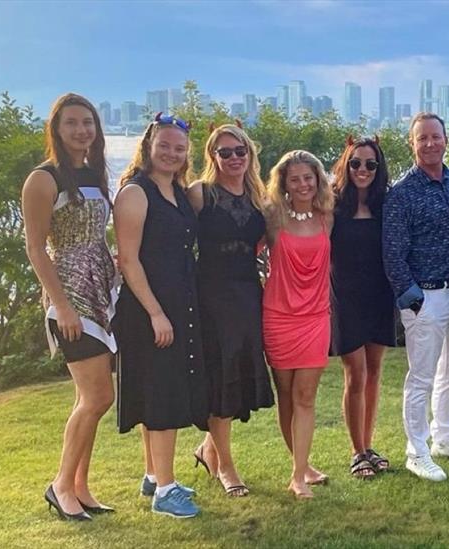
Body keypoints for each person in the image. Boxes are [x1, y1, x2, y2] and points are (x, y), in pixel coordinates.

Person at [22, 93, 117, 521]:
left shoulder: (93, 173)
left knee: (90, 398)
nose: (82, 131)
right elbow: (36, 248)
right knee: (98, 396)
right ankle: (61, 484)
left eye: (88, 123)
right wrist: (61, 306)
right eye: (72, 123)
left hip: (100, 288)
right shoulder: (44, 179)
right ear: (57, 130)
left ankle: (79, 487)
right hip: (71, 294)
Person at [114, 113, 208, 518]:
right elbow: (128, 261)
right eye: (165, 145)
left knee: (160, 389)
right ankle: (166, 492)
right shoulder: (136, 193)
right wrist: (156, 313)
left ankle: (154, 475)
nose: (172, 153)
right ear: (149, 145)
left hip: (177, 302)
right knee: (163, 394)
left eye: (180, 148)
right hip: (148, 308)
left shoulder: (178, 191)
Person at [383, 112, 449, 482]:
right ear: (412, 143)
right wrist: (412, 298)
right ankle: (416, 451)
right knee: (421, 376)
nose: (429, 143)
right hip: (426, 295)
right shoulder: (402, 192)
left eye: (435, 137)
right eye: (422, 138)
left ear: (446, 139)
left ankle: (445, 437)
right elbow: (392, 252)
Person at [187, 123, 275, 497]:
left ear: (249, 154)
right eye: (225, 152)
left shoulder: (258, 196)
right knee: (220, 374)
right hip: (210, 295)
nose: (234, 158)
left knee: (237, 371)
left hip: (247, 293)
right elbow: (172, 238)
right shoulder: (199, 194)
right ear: (212, 157)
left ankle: (208, 450)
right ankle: (226, 466)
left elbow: (269, 243)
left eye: (240, 151)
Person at [263, 150, 334, 499]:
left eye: (309, 177)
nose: (304, 184)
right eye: (295, 179)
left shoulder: (327, 217)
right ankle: (301, 464)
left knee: (306, 395)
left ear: (317, 179)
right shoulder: (272, 217)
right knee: (286, 396)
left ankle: (298, 476)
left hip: (316, 318)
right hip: (277, 316)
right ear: (284, 184)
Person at [330, 136, 396, 479]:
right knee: (354, 374)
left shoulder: (387, 205)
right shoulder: (332, 204)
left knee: (373, 373)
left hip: (380, 296)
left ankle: (368, 445)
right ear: (346, 164)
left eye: (370, 164)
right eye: (355, 163)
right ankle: (356, 451)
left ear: (378, 167)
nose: (362, 170)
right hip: (345, 297)